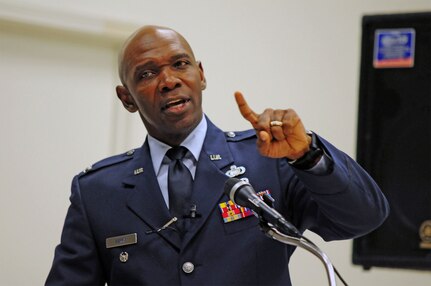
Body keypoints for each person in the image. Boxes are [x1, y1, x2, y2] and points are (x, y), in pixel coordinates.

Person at [46, 25, 389, 286]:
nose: (168, 81)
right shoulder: (97, 192)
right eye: (146, 74)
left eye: (180, 64)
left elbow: (364, 218)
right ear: (127, 98)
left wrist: (309, 155)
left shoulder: (269, 159)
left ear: (201, 75)